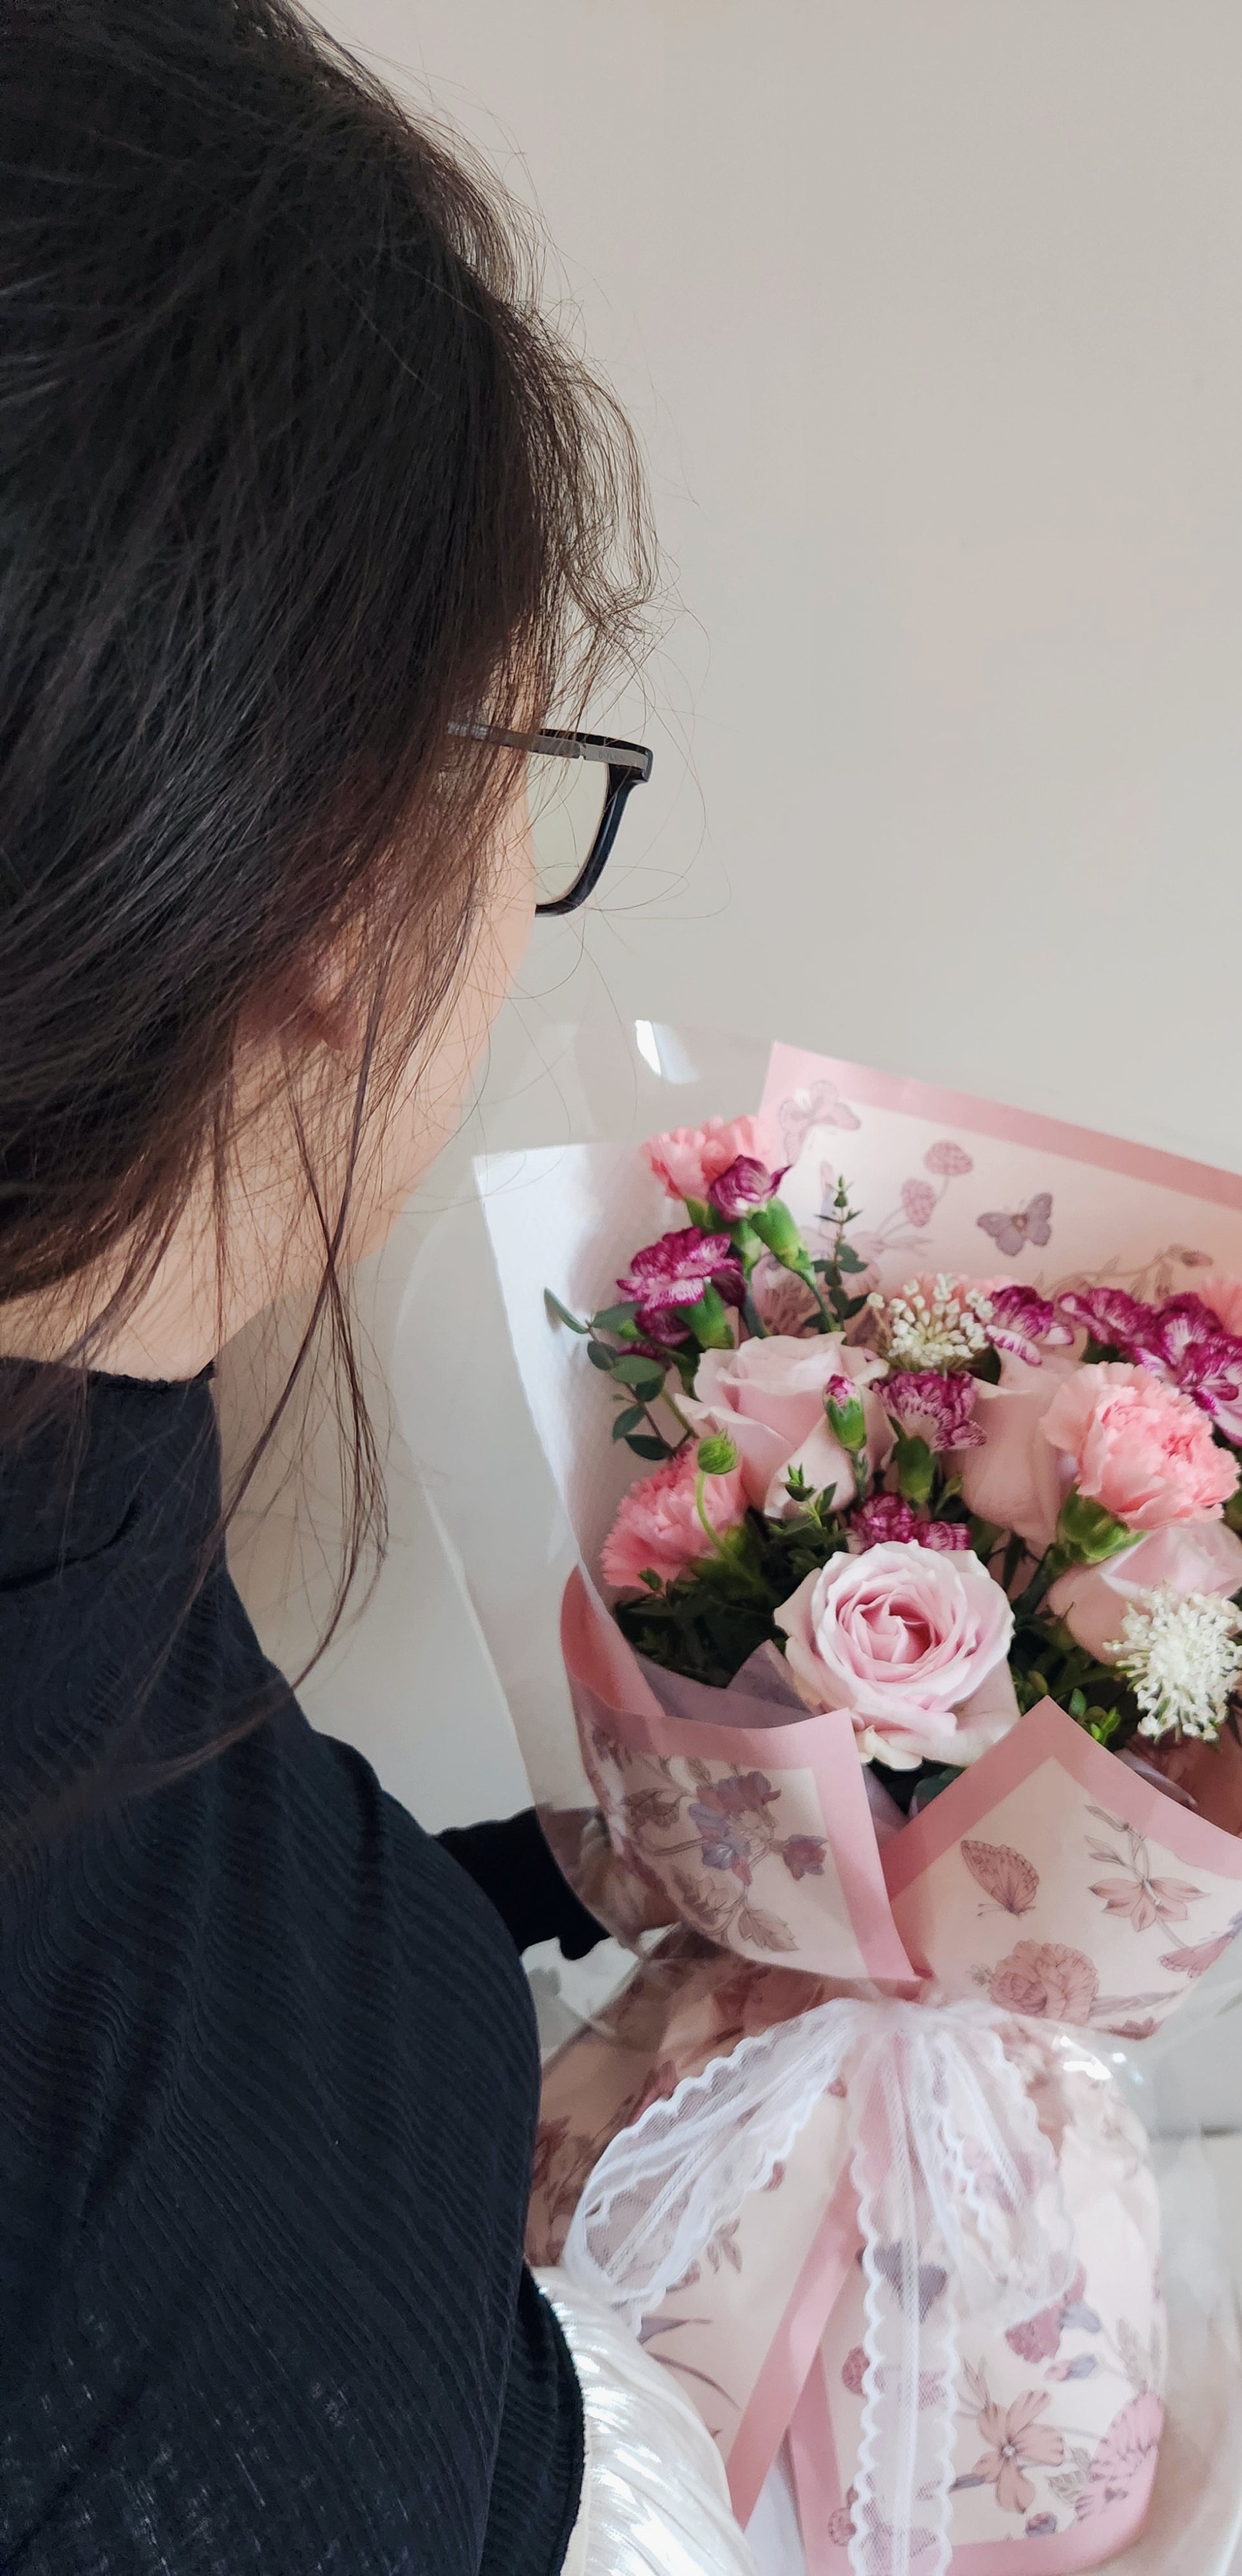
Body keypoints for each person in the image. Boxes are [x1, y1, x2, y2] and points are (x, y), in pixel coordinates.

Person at [0, 5, 749, 2570]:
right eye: (512, 782)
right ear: (317, 905)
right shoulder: (174, 2386)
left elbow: (170, 1843)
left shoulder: (76, 1387)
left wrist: (569, 1878)